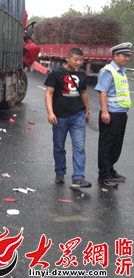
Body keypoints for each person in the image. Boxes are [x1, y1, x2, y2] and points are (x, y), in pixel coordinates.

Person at [44, 47, 91, 188]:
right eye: (75, 59)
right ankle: (60, 172)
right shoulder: (57, 73)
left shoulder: (82, 74)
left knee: (79, 147)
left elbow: (84, 93)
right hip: (60, 117)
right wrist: (50, 113)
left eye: (81, 60)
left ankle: (78, 178)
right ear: (68, 58)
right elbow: (49, 93)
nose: (78, 62)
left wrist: (87, 111)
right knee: (59, 146)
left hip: (78, 115)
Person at [94, 42, 132, 187]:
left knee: (117, 144)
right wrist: (104, 111)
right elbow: (102, 92)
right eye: (124, 56)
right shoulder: (108, 71)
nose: (126, 58)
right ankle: (103, 175)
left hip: (121, 113)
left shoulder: (121, 71)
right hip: (110, 113)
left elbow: (120, 92)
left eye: (128, 56)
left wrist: (125, 110)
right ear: (115, 56)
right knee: (107, 144)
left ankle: (110, 170)